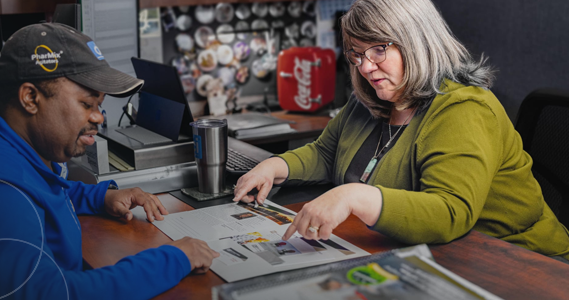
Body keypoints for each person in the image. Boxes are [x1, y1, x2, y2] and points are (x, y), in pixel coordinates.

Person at [233, 0, 569, 260]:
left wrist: (353, 196)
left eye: (379, 49)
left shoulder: (465, 108)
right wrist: (276, 166)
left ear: (417, 42)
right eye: (357, 54)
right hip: (418, 252)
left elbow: (450, 212)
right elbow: (325, 152)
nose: (365, 67)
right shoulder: (372, 97)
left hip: (515, 261)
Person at [0, 23, 218, 299]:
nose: (99, 117)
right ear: (30, 98)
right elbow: (52, 294)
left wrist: (102, 195)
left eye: (99, 106)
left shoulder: (6, 144)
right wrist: (174, 258)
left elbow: (44, 191)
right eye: (87, 104)